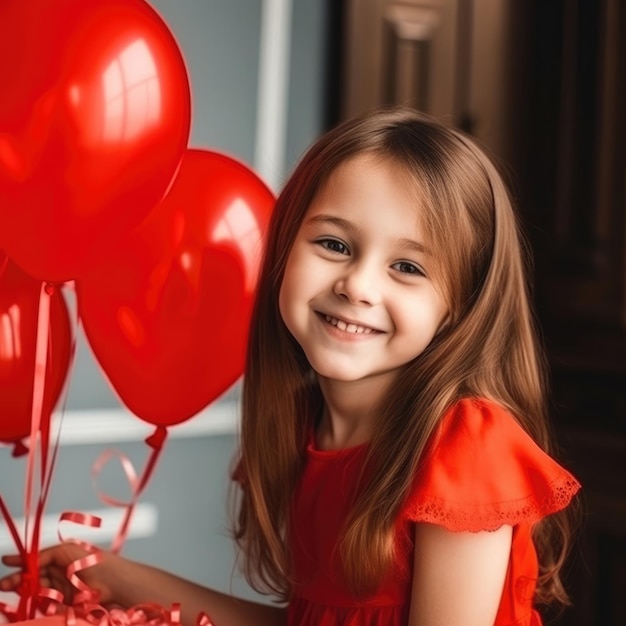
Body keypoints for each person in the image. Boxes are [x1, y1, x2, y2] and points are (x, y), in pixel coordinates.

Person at [1, 107, 580, 626]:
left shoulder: (464, 448)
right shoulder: (305, 426)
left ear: (461, 303)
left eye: (406, 267)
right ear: (282, 252)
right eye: (335, 245)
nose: (357, 285)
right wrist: (117, 579)